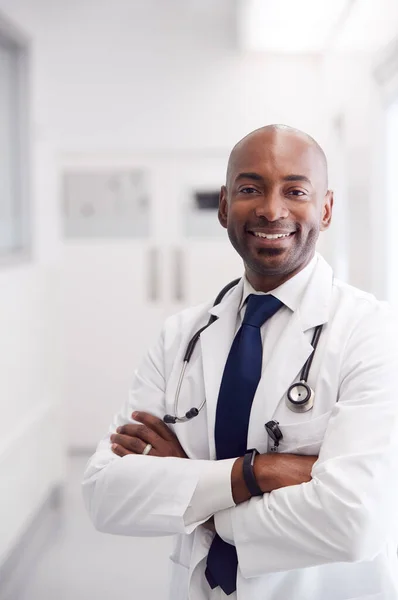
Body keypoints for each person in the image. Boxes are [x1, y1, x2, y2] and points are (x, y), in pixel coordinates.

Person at [82, 124, 398, 600]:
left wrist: (193, 490)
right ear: (225, 206)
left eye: (295, 190)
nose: (272, 210)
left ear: (326, 209)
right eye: (251, 189)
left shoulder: (372, 332)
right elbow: (106, 494)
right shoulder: (180, 337)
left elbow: (353, 521)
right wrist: (259, 473)